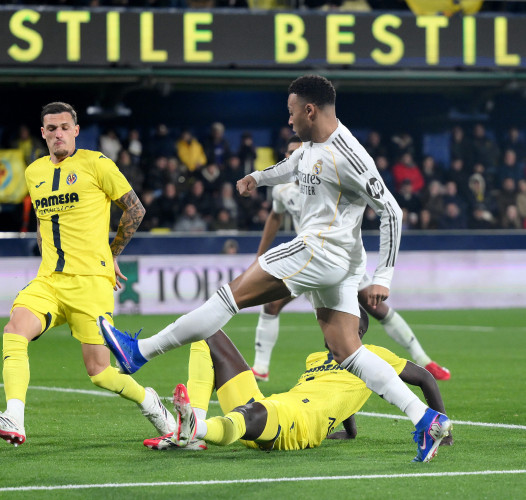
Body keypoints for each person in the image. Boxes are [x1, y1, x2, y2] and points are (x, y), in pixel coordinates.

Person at [100, 75, 451, 463]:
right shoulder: (312, 145)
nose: (288, 120)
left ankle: (140, 352)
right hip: (338, 260)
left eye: (291, 112)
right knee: (347, 351)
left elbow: (392, 212)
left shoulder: (350, 155)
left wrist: (384, 277)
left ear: (310, 110)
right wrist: (258, 178)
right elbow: (294, 165)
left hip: (320, 250)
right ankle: (426, 419)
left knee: (228, 298)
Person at [0, 102, 174, 447]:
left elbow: (135, 209)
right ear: (43, 133)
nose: (58, 134)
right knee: (15, 329)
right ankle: (14, 417)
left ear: (76, 130)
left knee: (100, 373)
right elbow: (42, 221)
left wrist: (111, 254)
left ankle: (150, 402)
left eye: (65, 127)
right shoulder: (34, 172)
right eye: (51, 128)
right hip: (49, 280)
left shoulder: (97, 164)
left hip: (90, 282)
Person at [251, 136, 450, 382]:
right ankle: (261, 368)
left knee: (376, 307)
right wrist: (260, 254)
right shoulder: (282, 190)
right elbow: (275, 216)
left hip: (341, 257)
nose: (294, 157)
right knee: (272, 305)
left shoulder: (328, 178)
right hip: (307, 259)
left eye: (299, 151)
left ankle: (424, 360)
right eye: (290, 153)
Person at [144, 309, 452, 461]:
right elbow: (341, 391)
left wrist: (445, 431)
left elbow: (424, 378)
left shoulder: (374, 355)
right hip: (275, 407)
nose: (326, 326)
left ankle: (197, 428)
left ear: (356, 331)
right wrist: (351, 431)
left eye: (334, 322)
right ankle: (193, 428)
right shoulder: (316, 357)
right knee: (205, 330)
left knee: (251, 413)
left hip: (298, 422)